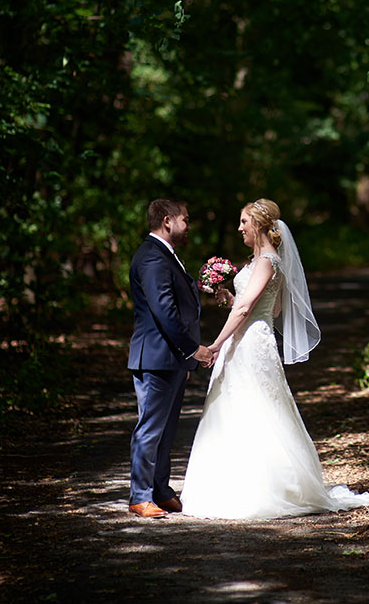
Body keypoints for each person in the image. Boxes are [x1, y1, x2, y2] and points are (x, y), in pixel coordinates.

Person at [179, 198, 369, 519]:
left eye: (244, 222)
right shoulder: (262, 261)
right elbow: (268, 309)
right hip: (247, 339)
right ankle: (233, 481)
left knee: (256, 406)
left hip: (252, 345)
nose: (240, 228)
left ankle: (263, 486)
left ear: (257, 224)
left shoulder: (268, 260)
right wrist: (230, 297)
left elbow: (249, 310)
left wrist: (215, 345)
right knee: (238, 406)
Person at [126, 199, 215, 518]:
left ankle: (161, 491)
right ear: (167, 221)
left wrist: (182, 360)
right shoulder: (152, 257)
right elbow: (164, 310)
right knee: (150, 427)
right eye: (185, 220)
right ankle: (140, 495)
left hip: (170, 358)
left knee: (166, 429)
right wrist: (193, 350)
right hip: (155, 357)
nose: (189, 226)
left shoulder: (166, 255)